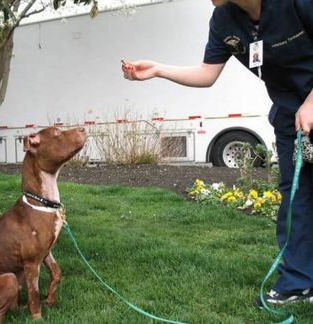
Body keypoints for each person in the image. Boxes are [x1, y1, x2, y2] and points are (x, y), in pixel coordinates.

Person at [122, 0, 313, 307]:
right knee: (297, 197)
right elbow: (207, 73)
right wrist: (157, 70)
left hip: (310, 104)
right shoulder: (224, 20)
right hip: (292, 117)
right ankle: (298, 284)